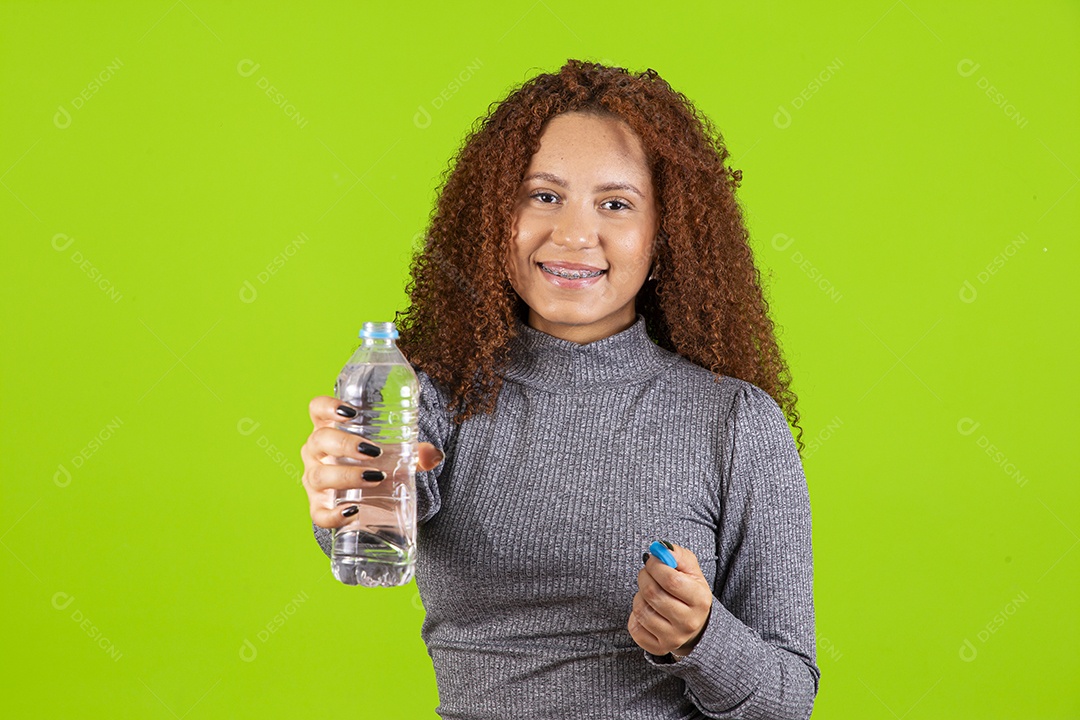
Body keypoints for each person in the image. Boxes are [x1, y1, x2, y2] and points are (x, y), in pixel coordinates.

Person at [301, 59, 819, 719]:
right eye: (543, 195)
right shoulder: (433, 395)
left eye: (616, 203)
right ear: (494, 218)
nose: (573, 234)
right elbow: (373, 517)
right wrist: (345, 486)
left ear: (664, 236)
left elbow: (787, 701)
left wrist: (699, 639)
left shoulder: (736, 422)